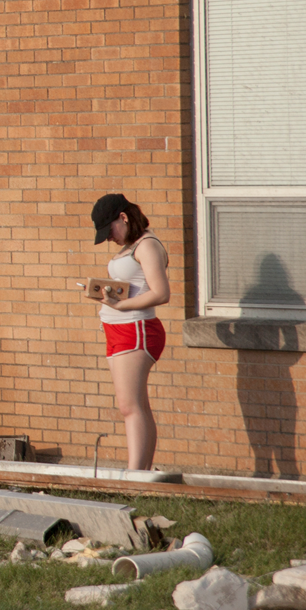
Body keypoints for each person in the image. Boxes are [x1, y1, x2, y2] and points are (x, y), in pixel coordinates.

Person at [90, 192, 171, 470]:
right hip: (119, 330)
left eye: (109, 230)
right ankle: (143, 472)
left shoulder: (146, 245)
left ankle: (135, 473)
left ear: (123, 218)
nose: (109, 238)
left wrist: (121, 306)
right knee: (137, 406)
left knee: (130, 406)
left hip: (135, 328)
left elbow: (161, 293)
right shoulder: (132, 245)